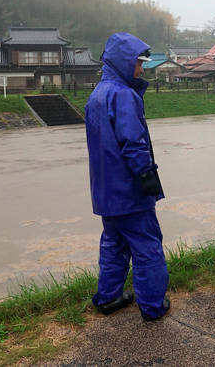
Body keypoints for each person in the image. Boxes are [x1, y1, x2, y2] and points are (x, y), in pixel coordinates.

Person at [85, 32, 170, 321]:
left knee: (114, 244)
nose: (142, 69)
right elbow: (133, 143)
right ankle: (153, 306)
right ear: (124, 61)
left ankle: (108, 298)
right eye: (138, 63)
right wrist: (147, 178)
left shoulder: (97, 95)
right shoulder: (123, 95)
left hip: (105, 191)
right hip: (129, 191)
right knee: (147, 247)